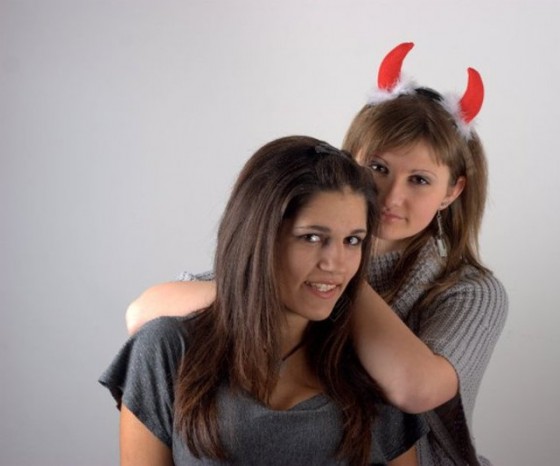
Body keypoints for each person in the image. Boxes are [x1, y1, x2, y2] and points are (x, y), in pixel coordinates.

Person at [125, 43, 508, 465]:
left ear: (452, 190)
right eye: (378, 168)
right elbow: (142, 313)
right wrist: (263, 287)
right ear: (350, 161)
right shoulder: (289, 261)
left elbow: (415, 389)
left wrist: (335, 278)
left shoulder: (469, 291)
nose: (390, 195)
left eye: (419, 180)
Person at [100, 136, 427, 465]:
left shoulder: (372, 368)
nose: (336, 264)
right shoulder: (167, 349)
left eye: (353, 240)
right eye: (312, 237)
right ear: (258, 236)